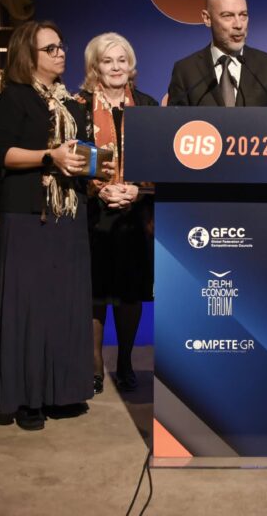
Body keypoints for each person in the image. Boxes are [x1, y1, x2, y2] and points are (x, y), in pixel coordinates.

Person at [167, 0, 267, 424]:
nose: (238, 25)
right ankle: (208, 392)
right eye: (228, 16)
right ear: (206, 19)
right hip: (205, 209)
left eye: (243, 15)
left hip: (259, 206)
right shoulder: (186, 70)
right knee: (209, 296)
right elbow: (174, 142)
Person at [0, 20, 109, 431]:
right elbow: (1, 154)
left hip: (68, 212)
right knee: (31, 307)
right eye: (51, 48)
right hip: (28, 212)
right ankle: (27, 399)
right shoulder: (15, 97)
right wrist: (49, 156)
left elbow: (80, 153)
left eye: (62, 46)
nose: (61, 53)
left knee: (64, 304)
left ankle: (62, 392)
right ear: (29, 55)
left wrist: (94, 165)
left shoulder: (73, 103)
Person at [79, 33, 156, 394]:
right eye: (107, 61)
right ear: (95, 66)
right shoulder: (78, 106)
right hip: (91, 211)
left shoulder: (147, 106)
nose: (115, 67)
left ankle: (125, 361)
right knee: (94, 292)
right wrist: (98, 187)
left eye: (121, 60)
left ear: (131, 65)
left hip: (136, 215)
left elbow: (161, 162)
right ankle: (95, 364)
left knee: (130, 293)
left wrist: (137, 190)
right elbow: (69, 157)